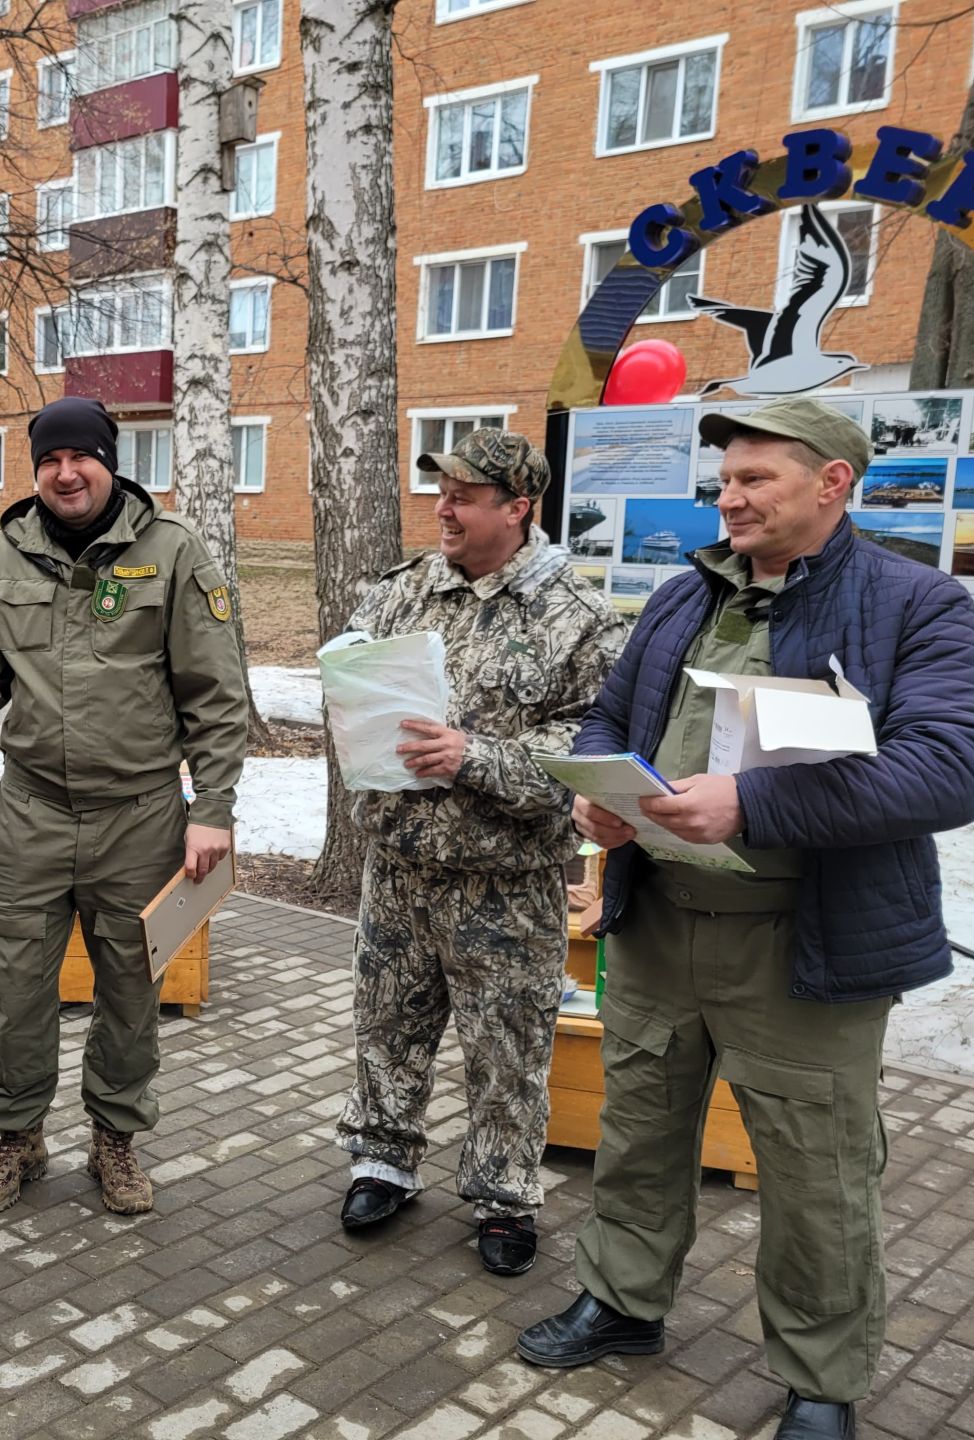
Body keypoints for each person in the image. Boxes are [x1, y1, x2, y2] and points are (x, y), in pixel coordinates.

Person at [516, 398, 974, 1440]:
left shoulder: (917, 604)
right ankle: (624, 1301)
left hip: (805, 945)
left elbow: (948, 772)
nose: (728, 497)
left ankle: (823, 1378)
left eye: (754, 479)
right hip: (660, 920)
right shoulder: (685, 596)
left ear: (833, 483)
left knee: (817, 1174)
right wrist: (603, 793)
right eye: (724, 479)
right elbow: (612, 714)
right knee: (637, 1131)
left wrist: (754, 803)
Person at [0, 396, 247, 1215]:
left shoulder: (172, 552)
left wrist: (215, 805)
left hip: (141, 817)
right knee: (17, 991)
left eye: (80, 456)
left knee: (130, 993)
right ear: (37, 469)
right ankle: (17, 1137)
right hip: (32, 815)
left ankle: (114, 1139)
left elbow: (216, 695)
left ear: (109, 461)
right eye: (49, 459)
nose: (65, 472)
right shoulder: (4, 555)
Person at [331, 429, 628, 1276]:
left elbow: (590, 745)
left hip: (507, 881)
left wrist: (475, 756)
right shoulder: (400, 592)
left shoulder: (575, 616)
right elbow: (353, 681)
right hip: (399, 866)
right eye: (442, 491)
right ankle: (382, 1159)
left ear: (517, 507)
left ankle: (502, 1195)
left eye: (464, 495)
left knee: (508, 1051)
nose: (445, 508)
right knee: (388, 1026)